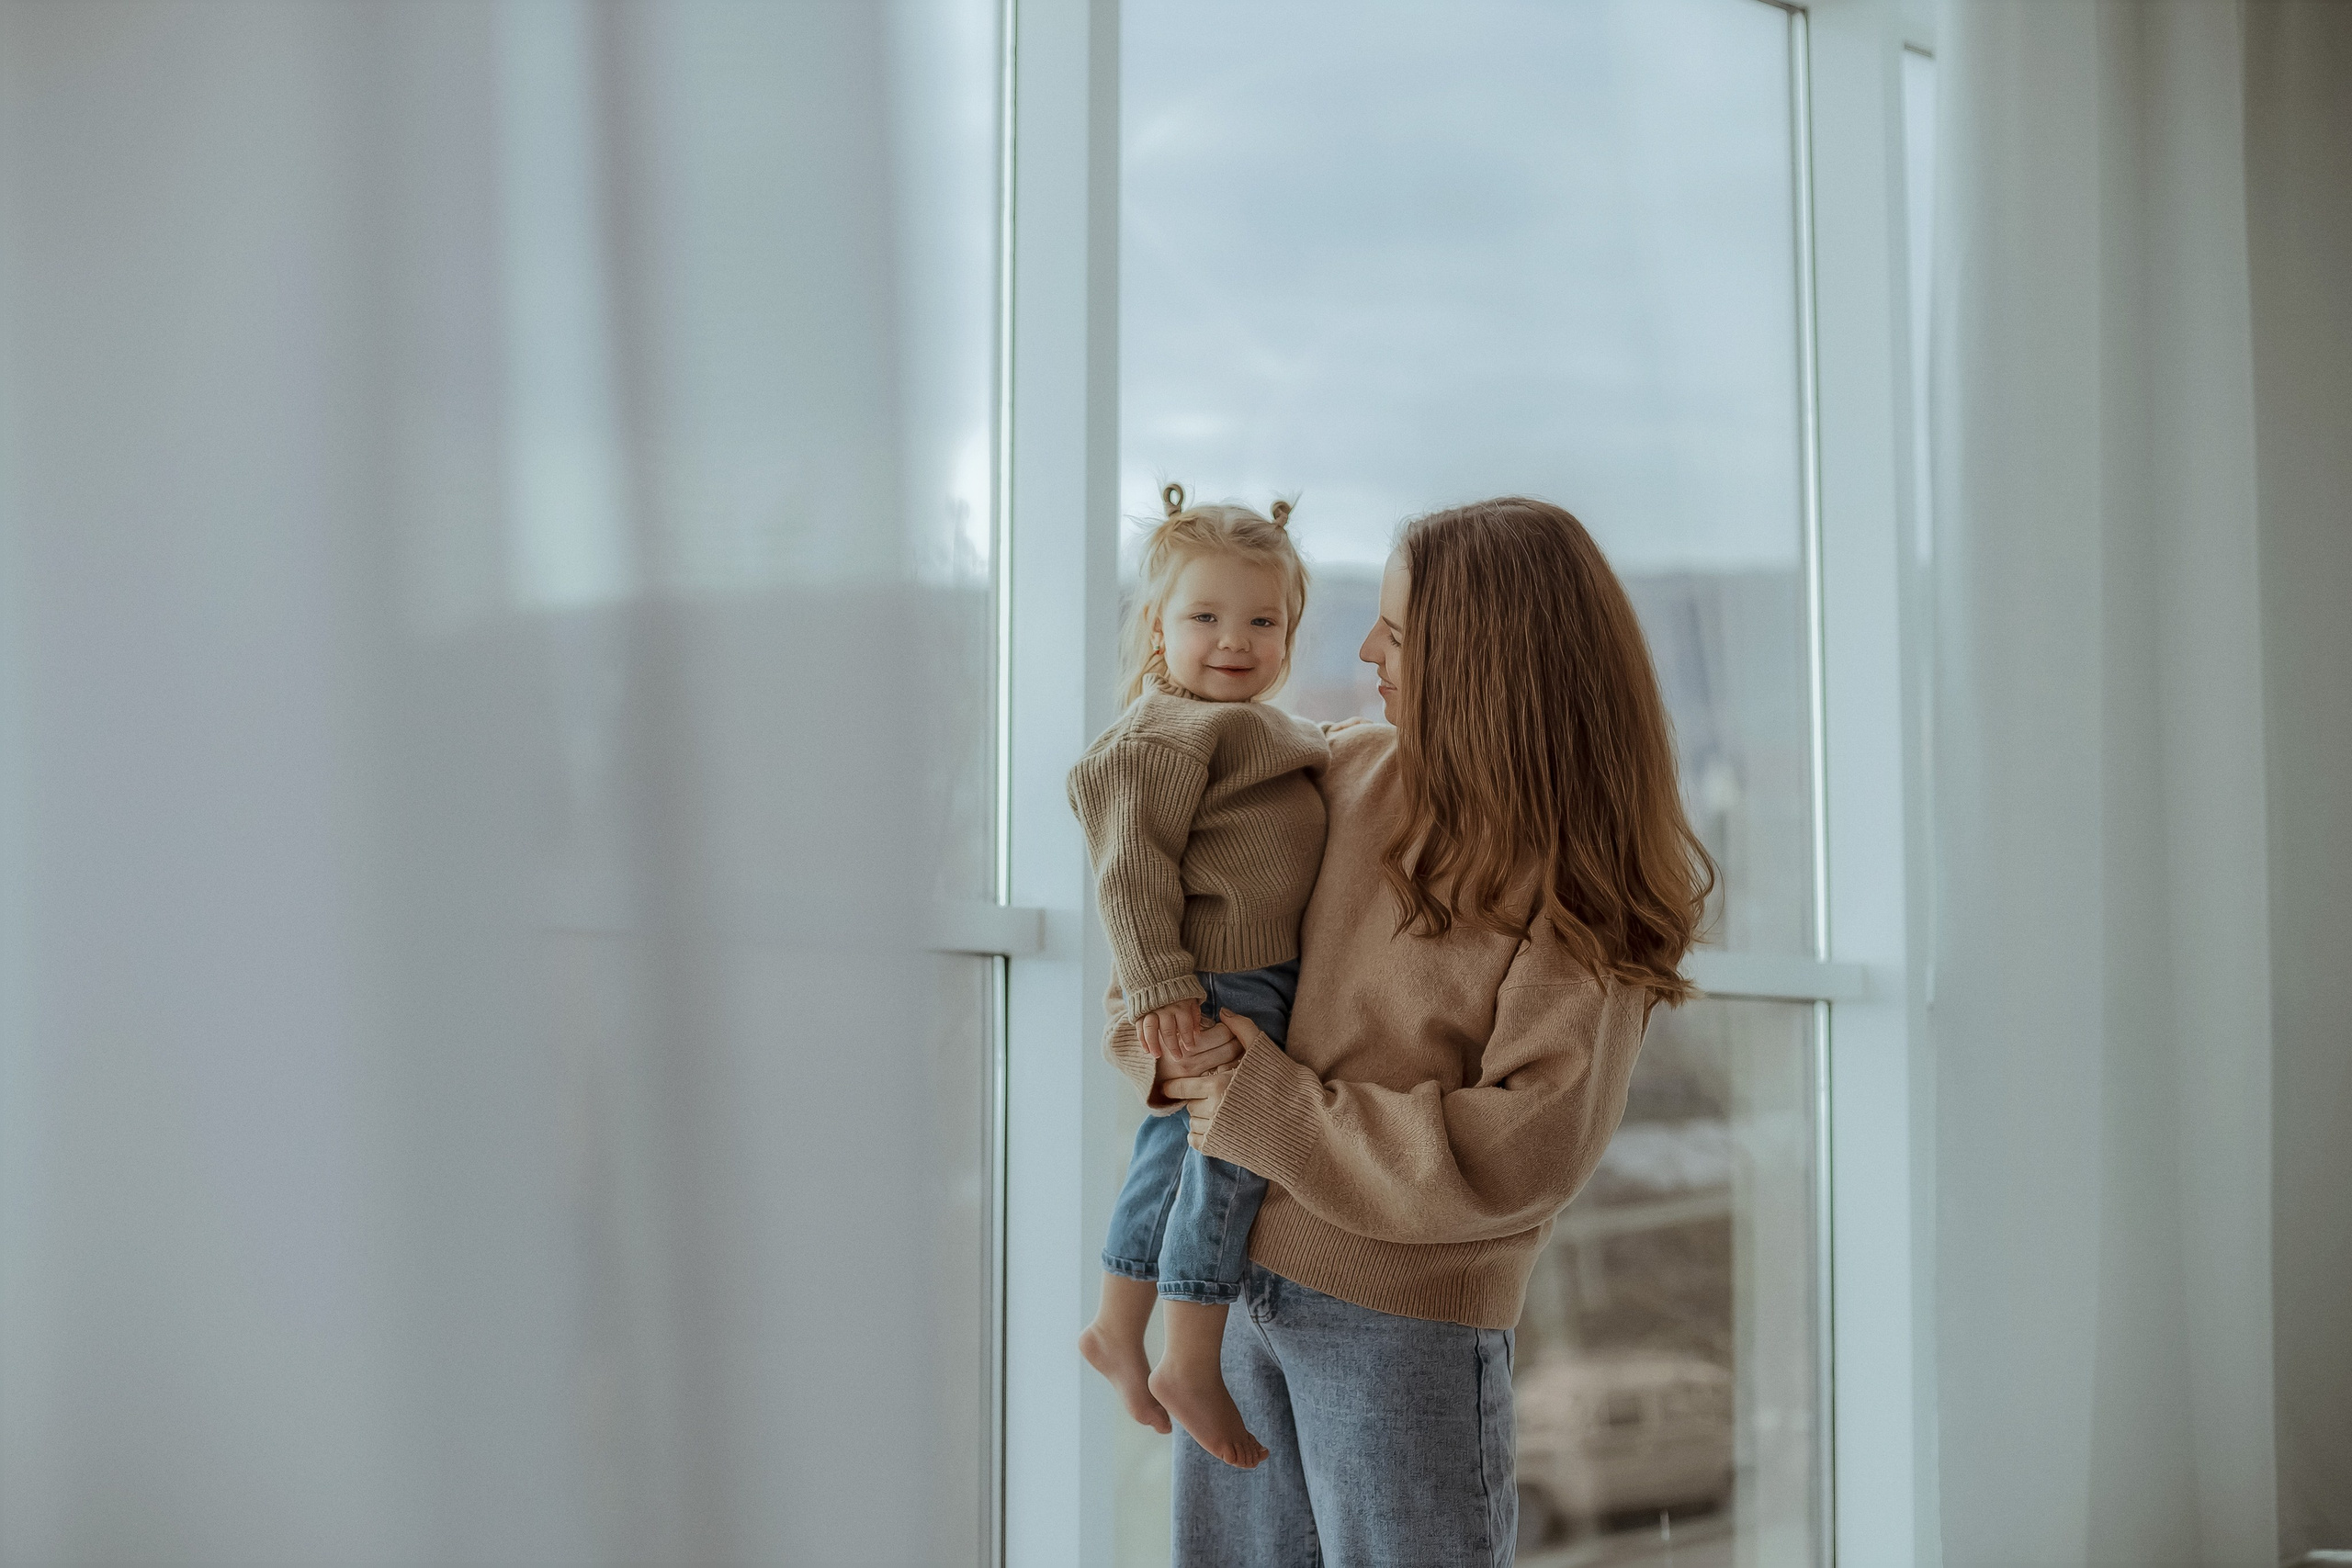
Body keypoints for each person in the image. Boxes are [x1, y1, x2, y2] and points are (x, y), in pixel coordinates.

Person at [1108, 498, 1716, 1567]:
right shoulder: (1331, 771)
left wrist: (1255, 1100)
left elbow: (1521, 1151)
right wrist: (1177, 1050)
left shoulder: (1580, 884)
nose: (1364, 652)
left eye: (1396, 630)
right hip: (1229, 1295)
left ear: (1484, 662)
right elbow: (1162, 972)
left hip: (1399, 1329)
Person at [1070, 482, 1330, 1471]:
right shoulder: (1163, 733)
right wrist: (1160, 988)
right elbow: (1128, 870)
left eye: (1263, 621)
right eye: (1205, 617)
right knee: (1229, 1159)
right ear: (1157, 627)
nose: (1235, 640)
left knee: (1171, 1155)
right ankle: (1188, 1355)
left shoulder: (1259, 728)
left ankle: (1116, 1326)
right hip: (1216, 978)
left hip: (1253, 973)